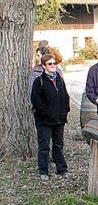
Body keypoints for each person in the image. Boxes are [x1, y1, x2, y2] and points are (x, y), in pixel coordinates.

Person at [30, 53, 70, 181]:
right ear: (43, 66)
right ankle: (43, 171)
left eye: (54, 63)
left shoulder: (59, 79)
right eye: (49, 64)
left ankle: (62, 169)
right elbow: (36, 100)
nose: (53, 66)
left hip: (59, 119)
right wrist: (47, 113)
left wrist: (65, 110)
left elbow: (65, 96)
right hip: (45, 121)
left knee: (58, 145)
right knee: (44, 146)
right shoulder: (39, 81)